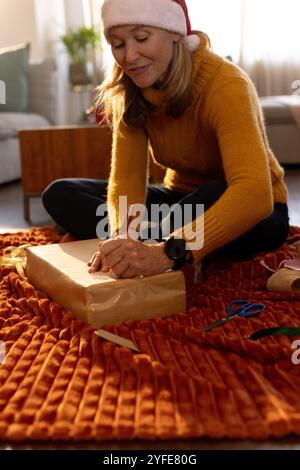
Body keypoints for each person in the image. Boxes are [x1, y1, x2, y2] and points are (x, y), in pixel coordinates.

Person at [42, 0, 289, 279]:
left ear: (174, 33)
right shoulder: (130, 89)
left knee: (203, 199)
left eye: (141, 38)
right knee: (61, 193)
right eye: (117, 43)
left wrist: (169, 251)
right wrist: (124, 233)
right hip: (179, 200)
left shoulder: (227, 84)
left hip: (254, 210)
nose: (129, 56)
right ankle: (152, 237)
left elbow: (254, 194)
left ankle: (166, 242)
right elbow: (128, 178)